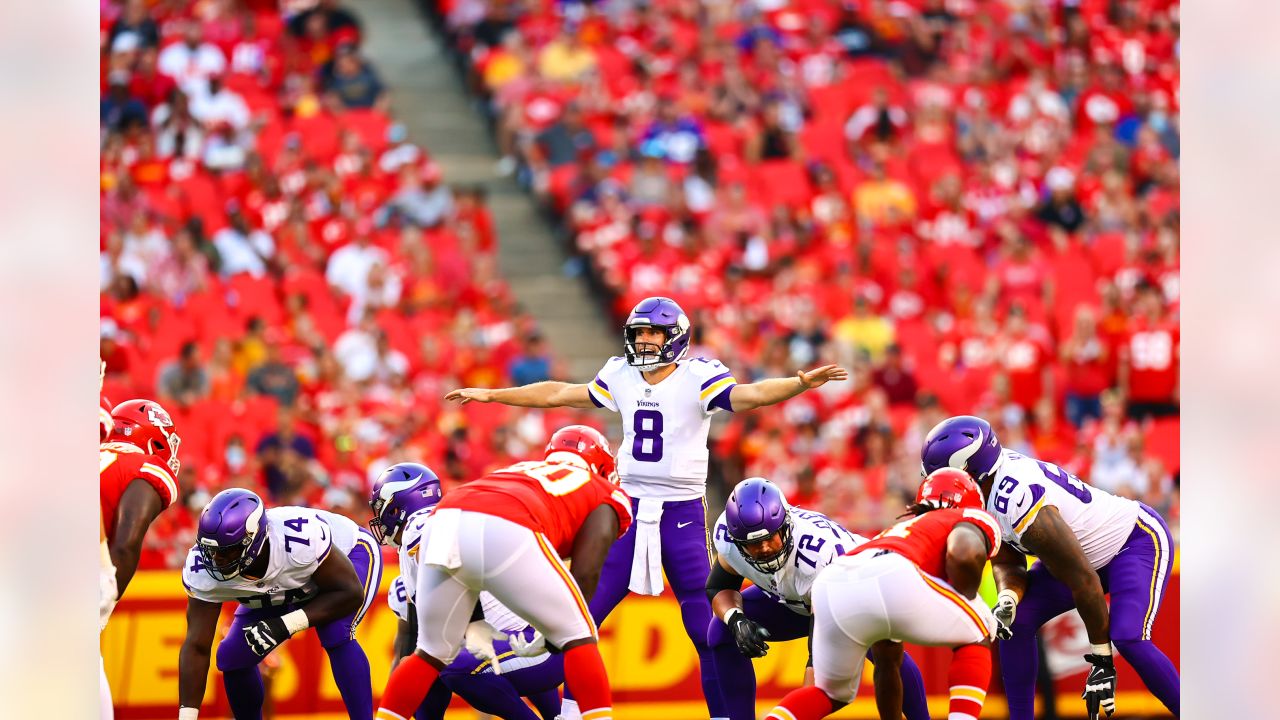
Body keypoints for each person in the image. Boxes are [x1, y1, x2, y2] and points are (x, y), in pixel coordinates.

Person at [446, 296, 847, 719]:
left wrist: (797, 383)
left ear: (675, 336)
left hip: (682, 511)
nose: (643, 341)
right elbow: (559, 393)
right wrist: (492, 394)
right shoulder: (620, 374)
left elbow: (751, 395)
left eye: (652, 333)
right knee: (582, 615)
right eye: (638, 333)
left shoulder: (698, 377)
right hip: (629, 508)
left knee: (705, 628)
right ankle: (569, 710)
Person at [921, 415, 1179, 719]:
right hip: (1080, 561)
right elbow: (1008, 559)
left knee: (1128, 637)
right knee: (1015, 623)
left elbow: (1083, 580)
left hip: (1132, 543)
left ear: (971, 472)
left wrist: (1101, 659)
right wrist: (1008, 598)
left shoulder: (1018, 499)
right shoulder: (988, 486)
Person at [375, 425, 632, 720]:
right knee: (577, 634)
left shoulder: (521, 469)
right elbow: (585, 575)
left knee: (430, 653)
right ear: (603, 468)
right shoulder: (604, 491)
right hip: (505, 525)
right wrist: (563, 629)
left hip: (450, 512)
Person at [766, 469, 1002, 720]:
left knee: (830, 693)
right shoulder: (969, 515)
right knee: (982, 629)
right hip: (893, 574)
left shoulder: (897, 531)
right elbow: (963, 552)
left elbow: (887, 667)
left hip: (834, 580)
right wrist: (965, 599)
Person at [706, 478, 932, 720]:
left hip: (856, 588)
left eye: (770, 537)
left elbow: (816, 671)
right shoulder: (730, 541)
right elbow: (719, 586)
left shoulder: (817, 556)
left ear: (786, 525)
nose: (764, 548)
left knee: (884, 655)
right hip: (800, 597)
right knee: (721, 628)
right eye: (753, 544)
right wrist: (736, 620)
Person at [368, 462, 564, 720]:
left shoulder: (420, 527)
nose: (380, 520)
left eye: (383, 510)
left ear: (397, 507)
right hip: (550, 642)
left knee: (449, 667)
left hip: (538, 652)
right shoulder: (451, 519)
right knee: (426, 664)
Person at [177, 489, 383, 720]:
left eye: (226, 552)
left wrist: (284, 625)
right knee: (232, 656)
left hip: (347, 556)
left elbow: (349, 593)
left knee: (336, 632)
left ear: (253, 541)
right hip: (284, 584)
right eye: (211, 551)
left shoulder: (299, 540)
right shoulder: (202, 568)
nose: (216, 561)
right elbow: (196, 646)